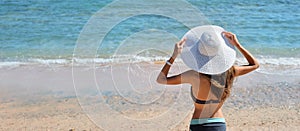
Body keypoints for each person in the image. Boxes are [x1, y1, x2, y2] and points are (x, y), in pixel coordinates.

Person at [156, 25, 259, 131]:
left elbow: (161, 79)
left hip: (198, 125)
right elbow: (255, 65)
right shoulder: (229, 72)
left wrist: (173, 56)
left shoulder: (193, 75)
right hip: (218, 124)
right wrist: (237, 45)